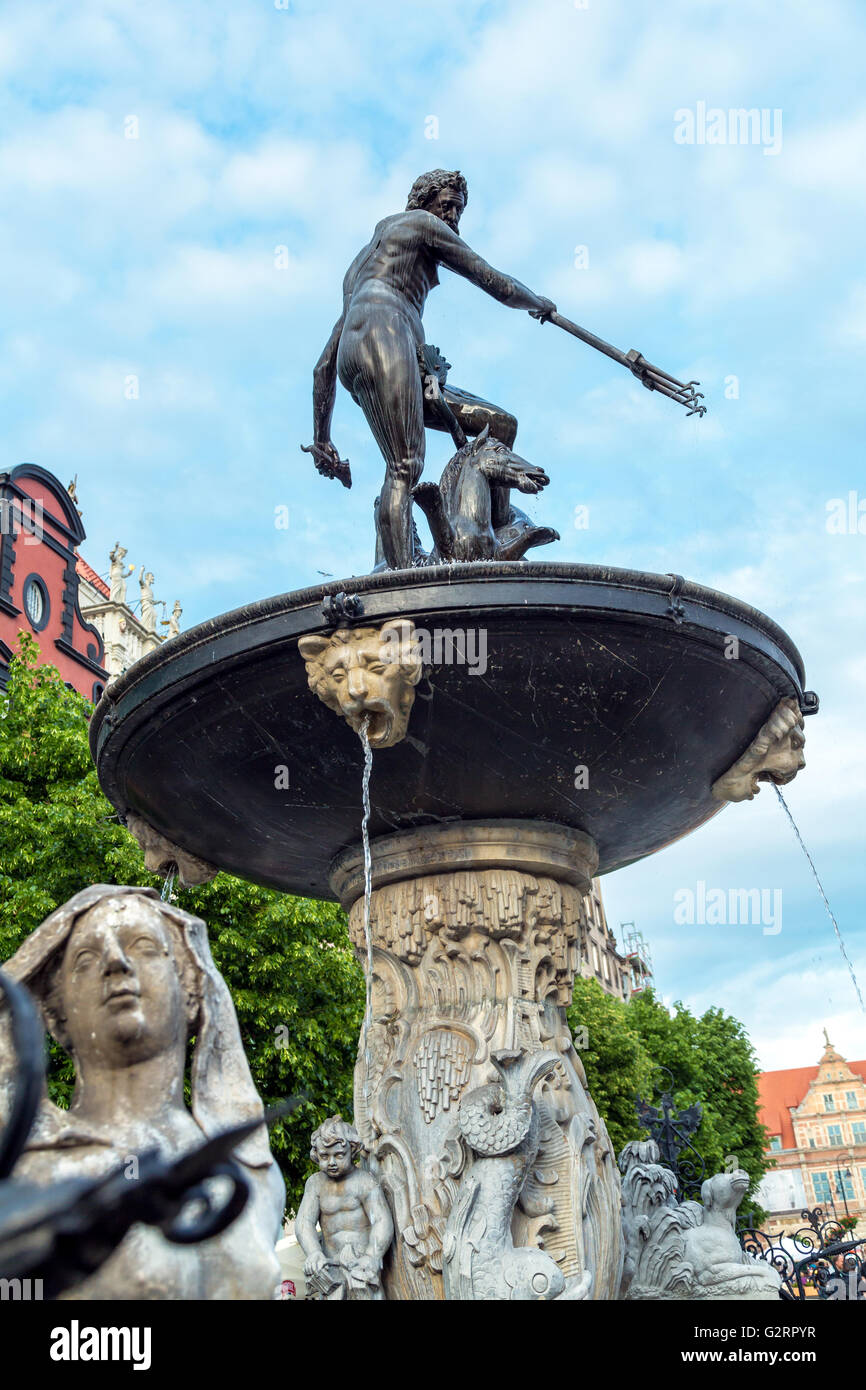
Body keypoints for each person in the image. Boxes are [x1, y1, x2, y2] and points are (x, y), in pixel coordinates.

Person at [0, 885, 285, 1299]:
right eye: (86, 957)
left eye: (144, 946)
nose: (116, 962)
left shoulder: (252, 1169)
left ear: (190, 992)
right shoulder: (26, 1171)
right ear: (56, 1015)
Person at [306, 169, 556, 569]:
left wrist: (322, 439)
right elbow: (492, 280)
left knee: (501, 426)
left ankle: (497, 529)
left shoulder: (358, 272)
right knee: (404, 466)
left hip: (365, 353)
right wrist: (537, 302)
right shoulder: (421, 224)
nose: (454, 217)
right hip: (385, 334)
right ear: (424, 202)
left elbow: (323, 366)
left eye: (460, 209)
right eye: (449, 205)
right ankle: (401, 581)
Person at [295, 1114, 392, 1299]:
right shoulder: (315, 1184)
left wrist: (372, 1255)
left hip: (362, 1269)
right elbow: (304, 1223)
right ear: (317, 1154)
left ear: (352, 1150)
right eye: (325, 1156)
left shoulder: (364, 1181)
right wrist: (314, 1253)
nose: (331, 1162)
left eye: (339, 1155)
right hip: (331, 1269)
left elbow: (381, 1220)